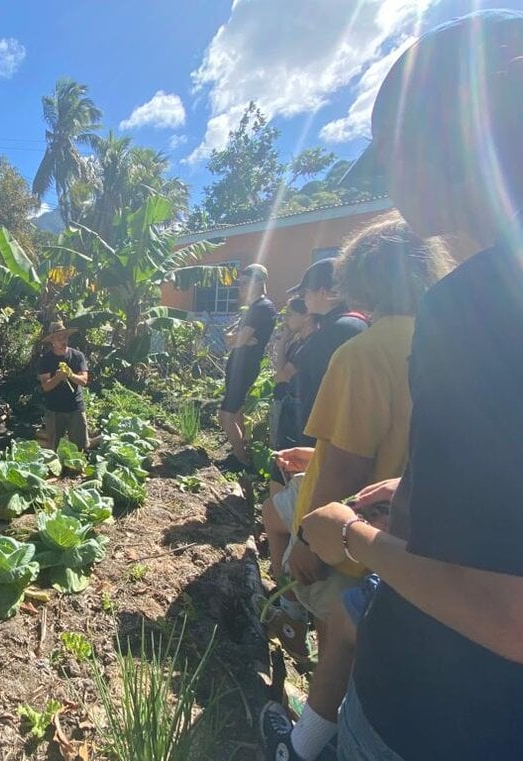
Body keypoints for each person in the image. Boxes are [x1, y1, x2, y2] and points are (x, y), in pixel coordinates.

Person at [300, 10, 523, 759]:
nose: (392, 183)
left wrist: (352, 534)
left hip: (443, 709)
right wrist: (418, 495)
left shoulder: (478, 305)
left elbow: (507, 607)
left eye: (393, 157)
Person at [260, 214, 453, 760]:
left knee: (338, 632)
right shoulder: (445, 342)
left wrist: (306, 541)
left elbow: (345, 467)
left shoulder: (362, 353)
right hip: (413, 528)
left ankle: (304, 744)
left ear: (360, 278)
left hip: (353, 530)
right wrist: (315, 453)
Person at [257, 257, 368, 659]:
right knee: (273, 513)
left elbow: (347, 431)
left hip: (337, 478)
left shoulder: (342, 333)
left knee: (319, 583)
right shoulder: (347, 329)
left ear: (327, 291)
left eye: (305, 291)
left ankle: (296, 628)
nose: (301, 300)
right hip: (323, 456)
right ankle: (288, 606)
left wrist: (309, 537)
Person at [218, 263, 277, 468]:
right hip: (239, 365)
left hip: (245, 367)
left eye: (246, 283)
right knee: (235, 412)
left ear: (260, 283)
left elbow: (240, 340)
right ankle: (240, 455)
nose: (241, 287)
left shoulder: (262, 308)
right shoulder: (254, 308)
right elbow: (235, 340)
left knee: (225, 414)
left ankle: (241, 459)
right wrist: (239, 339)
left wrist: (239, 339)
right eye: (240, 284)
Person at [271, 297, 316, 452]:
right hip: (287, 402)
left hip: (298, 408)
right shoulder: (297, 343)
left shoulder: (311, 344)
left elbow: (282, 376)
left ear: (306, 316)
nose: (285, 319)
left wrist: (282, 342)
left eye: (290, 314)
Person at [36, 320, 89, 452]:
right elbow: (46, 387)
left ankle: (77, 471)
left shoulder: (77, 356)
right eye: (59, 338)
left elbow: (84, 381)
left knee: (80, 447)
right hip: (54, 410)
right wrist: (58, 377)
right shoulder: (45, 359)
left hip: (75, 408)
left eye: (65, 337)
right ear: (52, 341)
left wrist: (71, 375)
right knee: (55, 448)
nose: (63, 341)